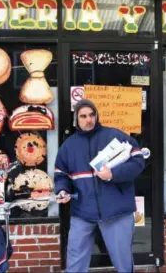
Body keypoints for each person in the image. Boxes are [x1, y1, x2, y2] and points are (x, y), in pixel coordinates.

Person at [54, 99, 145, 273]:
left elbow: (138, 160)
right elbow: (61, 175)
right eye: (83, 116)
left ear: (96, 115)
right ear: (76, 120)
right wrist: (62, 190)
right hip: (82, 212)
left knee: (123, 262)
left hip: (116, 211)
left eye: (91, 115)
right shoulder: (68, 146)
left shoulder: (114, 135)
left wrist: (113, 174)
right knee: (75, 261)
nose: (88, 119)